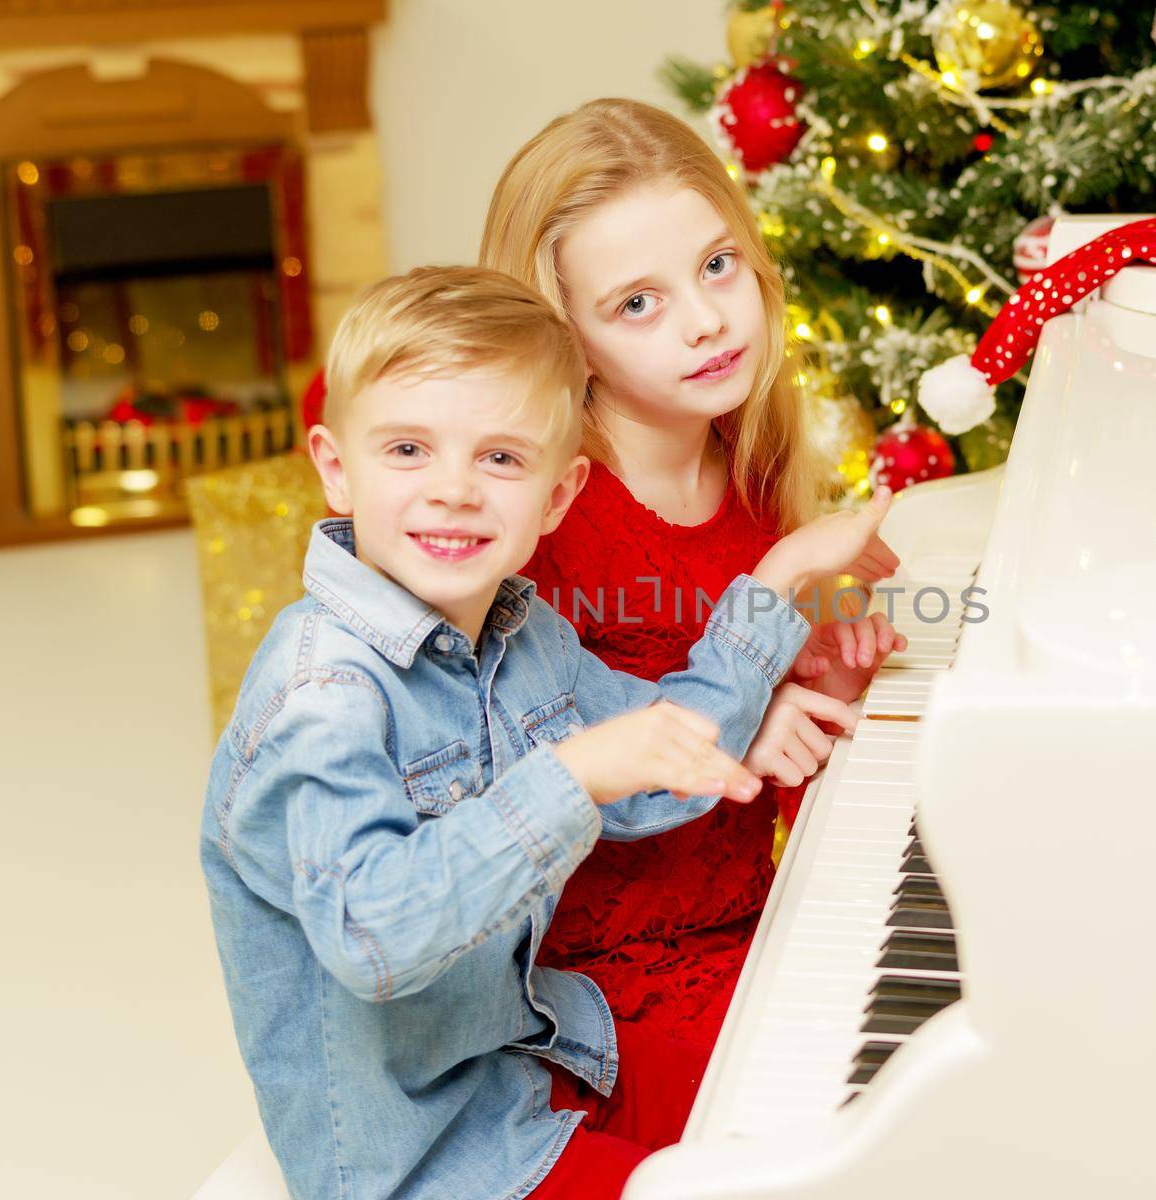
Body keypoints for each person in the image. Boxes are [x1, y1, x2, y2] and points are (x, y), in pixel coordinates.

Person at [199, 266, 896, 1199]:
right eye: (408, 450)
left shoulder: (524, 637)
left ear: (559, 496)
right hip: (429, 1157)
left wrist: (774, 589)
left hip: (544, 1058)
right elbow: (375, 937)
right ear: (336, 468)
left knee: (836, 1113)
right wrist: (574, 772)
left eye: (501, 459)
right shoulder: (319, 697)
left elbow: (651, 757)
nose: (454, 490)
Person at [479, 98, 905, 1052]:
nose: (708, 321)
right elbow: (509, 772)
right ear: (563, 337)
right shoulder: (539, 522)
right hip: (595, 999)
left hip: (756, 936)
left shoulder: (754, 474)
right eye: (639, 303)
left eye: (717, 266)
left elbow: (781, 782)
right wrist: (755, 711)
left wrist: (830, 678)